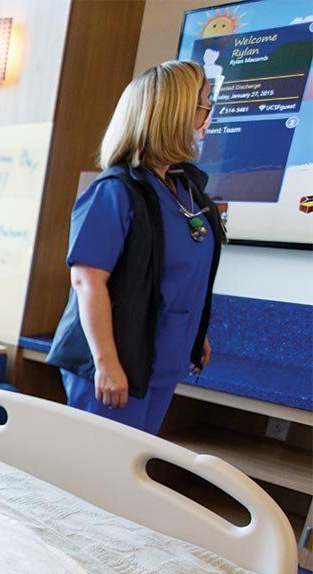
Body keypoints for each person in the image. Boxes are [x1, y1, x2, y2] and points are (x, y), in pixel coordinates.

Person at [46, 60, 224, 434]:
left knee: (130, 470)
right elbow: (87, 282)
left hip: (162, 357)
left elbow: (179, 273)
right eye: (205, 104)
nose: (209, 115)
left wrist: (195, 332)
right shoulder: (114, 192)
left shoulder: (185, 190)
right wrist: (106, 363)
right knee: (97, 474)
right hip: (117, 361)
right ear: (174, 114)